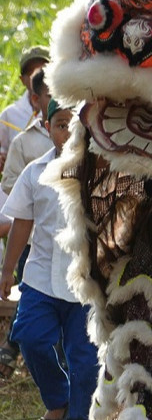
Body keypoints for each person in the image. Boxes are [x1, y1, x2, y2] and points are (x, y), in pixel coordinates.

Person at [0, 99, 96, 420]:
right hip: (40, 278)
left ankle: (76, 415)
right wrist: (7, 271)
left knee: (85, 364)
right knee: (29, 336)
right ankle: (58, 400)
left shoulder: (99, 170)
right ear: (46, 127)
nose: (67, 132)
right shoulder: (34, 173)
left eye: (74, 124)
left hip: (86, 284)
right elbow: (22, 223)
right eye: (59, 125)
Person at [0, 46, 48, 158]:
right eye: (31, 72)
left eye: (42, 71)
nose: (37, 76)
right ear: (22, 80)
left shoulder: (64, 109)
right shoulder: (9, 115)